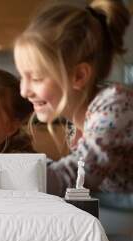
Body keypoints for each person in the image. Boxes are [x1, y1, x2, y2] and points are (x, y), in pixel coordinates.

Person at [13, 0, 133, 196]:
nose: (24, 91)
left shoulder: (114, 107)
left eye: (36, 78)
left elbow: (72, 179)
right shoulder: (75, 119)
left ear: (79, 76)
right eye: (22, 77)